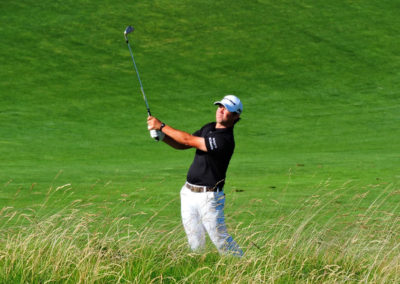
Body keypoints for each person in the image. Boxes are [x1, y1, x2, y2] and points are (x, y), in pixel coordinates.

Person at [147, 94, 244, 256]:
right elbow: (182, 144)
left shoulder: (225, 140)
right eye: (220, 106)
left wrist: (162, 126)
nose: (221, 110)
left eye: (226, 109)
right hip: (188, 193)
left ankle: (244, 267)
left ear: (235, 116)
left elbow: (188, 140)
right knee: (194, 242)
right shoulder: (209, 127)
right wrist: (163, 138)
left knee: (221, 240)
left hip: (209, 198)